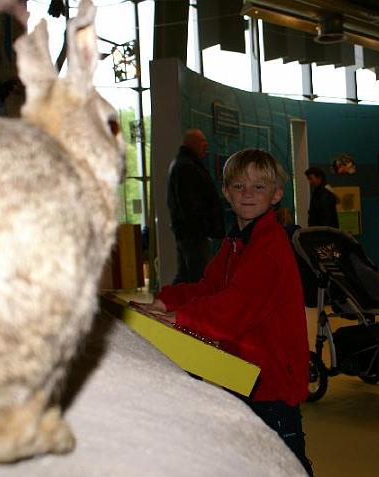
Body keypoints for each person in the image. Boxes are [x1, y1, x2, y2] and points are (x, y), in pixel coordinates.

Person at [136, 149, 313, 475]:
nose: (248, 194)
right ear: (226, 192)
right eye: (239, 186)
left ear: (276, 194)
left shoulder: (269, 247)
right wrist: (166, 301)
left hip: (272, 381)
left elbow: (235, 306)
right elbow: (208, 287)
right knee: (253, 461)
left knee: (286, 464)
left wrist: (183, 318)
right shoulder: (236, 242)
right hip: (242, 373)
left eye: (259, 187)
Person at [167, 128, 225, 284]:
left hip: (189, 232)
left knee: (186, 274)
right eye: (202, 142)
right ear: (192, 144)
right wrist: (205, 227)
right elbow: (190, 203)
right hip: (194, 233)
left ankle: (171, 298)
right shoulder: (188, 166)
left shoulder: (182, 164)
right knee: (198, 276)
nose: (206, 146)